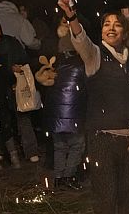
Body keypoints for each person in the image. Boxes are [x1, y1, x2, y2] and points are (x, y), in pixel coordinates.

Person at [58, 0, 129, 214]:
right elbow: (82, 41)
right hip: (103, 139)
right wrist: (71, 16)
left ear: (125, 32)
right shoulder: (95, 56)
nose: (112, 28)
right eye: (107, 24)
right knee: (106, 196)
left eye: (117, 25)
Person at [0, 18, 40, 162]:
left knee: (23, 117)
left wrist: (18, 68)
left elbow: (24, 59)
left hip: (16, 86)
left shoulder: (11, 42)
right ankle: (3, 152)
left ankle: (31, 151)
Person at [35, 19, 86, 190]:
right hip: (73, 116)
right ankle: (69, 176)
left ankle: (57, 176)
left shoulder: (54, 65)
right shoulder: (81, 65)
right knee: (77, 145)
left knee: (59, 146)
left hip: (56, 116)